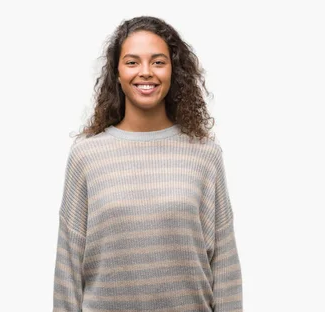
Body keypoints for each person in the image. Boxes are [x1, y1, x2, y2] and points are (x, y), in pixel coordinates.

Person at [52, 16, 243, 312]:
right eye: (132, 62)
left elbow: (225, 265)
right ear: (116, 73)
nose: (145, 72)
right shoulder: (86, 156)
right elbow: (68, 267)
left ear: (173, 70)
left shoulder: (205, 155)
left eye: (157, 62)